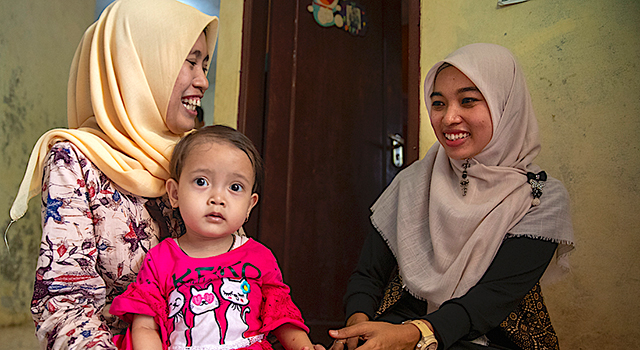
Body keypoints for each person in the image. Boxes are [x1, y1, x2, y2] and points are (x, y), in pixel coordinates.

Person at [327, 43, 575, 350]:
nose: (448, 119)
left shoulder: (539, 198)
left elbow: (488, 302)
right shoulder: (414, 182)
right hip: (397, 330)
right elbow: (368, 275)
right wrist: (358, 328)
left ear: (505, 106)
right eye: (438, 103)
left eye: (468, 101)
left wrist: (411, 337)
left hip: (490, 337)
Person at [7, 0, 219, 348]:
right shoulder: (75, 159)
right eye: (191, 61)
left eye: (205, 64)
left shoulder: (200, 154)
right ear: (140, 63)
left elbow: (235, 265)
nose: (203, 81)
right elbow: (65, 308)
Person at [110, 125, 320, 350]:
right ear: (175, 193)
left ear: (250, 205)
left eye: (235, 187)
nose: (218, 198)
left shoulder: (260, 257)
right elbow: (144, 327)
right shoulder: (160, 258)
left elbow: (281, 314)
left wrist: (304, 347)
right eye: (201, 182)